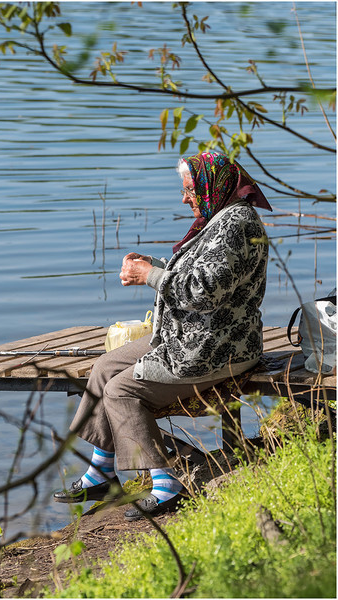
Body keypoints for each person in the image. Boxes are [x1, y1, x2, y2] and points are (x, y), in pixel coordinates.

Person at [54, 151, 272, 521]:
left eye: (189, 190)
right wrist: (153, 266)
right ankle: (101, 473)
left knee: (120, 391)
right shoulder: (221, 216)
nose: (185, 198)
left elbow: (204, 292)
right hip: (192, 337)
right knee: (104, 368)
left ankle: (167, 484)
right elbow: (199, 273)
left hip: (218, 348)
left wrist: (150, 277)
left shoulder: (236, 225)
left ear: (212, 186)